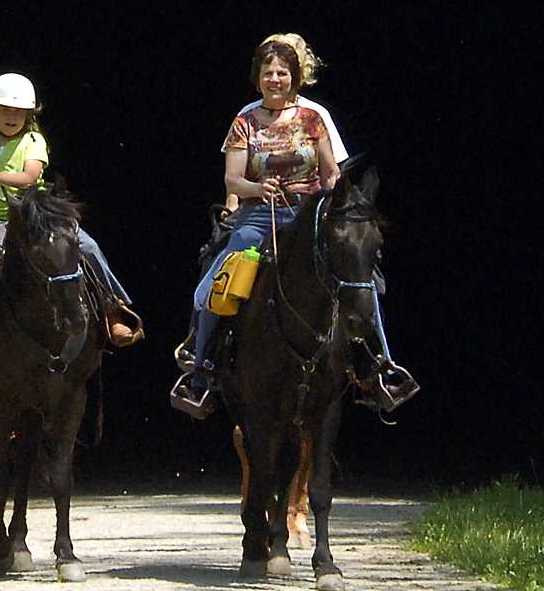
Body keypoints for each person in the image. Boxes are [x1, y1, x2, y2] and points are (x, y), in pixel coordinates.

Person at [170, 32, 417, 419]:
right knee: (213, 286)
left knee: (360, 274)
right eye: (268, 72)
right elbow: (232, 180)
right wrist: (255, 186)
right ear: (258, 77)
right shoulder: (244, 121)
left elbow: (331, 172)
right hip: (258, 215)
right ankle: (200, 373)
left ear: (294, 77)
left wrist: (341, 195)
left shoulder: (313, 119)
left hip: (309, 215)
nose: (275, 79)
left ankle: (382, 368)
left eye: (283, 73)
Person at [0, 72, 143, 354]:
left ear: (29, 115)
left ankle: (113, 307)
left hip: (37, 215)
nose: (11, 116)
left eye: (19, 112)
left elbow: (30, 177)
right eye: (5, 110)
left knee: (86, 245)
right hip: (0, 220)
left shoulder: (34, 141)